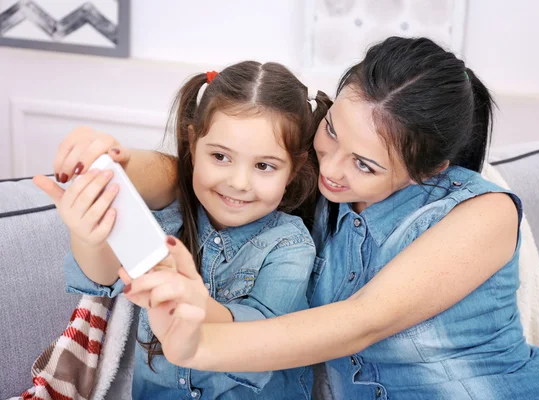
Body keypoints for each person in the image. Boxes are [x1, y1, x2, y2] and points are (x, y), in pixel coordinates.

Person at [41, 37, 539, 399]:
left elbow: (363, 321)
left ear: (428, 170)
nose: (330, 165)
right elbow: (189, 174)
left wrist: (198, 343)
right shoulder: (313, 175)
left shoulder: (482, 212)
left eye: (365, 164)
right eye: (330, 132)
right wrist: (109, 161)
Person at [35, 60, 331, 399]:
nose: (238, 182)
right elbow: (103, 275)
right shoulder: (169, 219)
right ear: (193, 144)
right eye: (220, 157)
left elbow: (264, 338)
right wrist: (87, 233)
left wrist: (198, 304)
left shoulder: (290, 244)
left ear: (293, 171)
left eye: (264, 166)